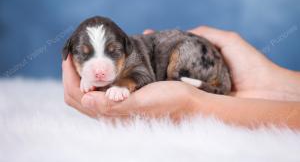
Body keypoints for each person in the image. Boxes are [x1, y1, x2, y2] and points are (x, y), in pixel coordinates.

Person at [62, 26, 300, 129]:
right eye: (85, 57)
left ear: (126, 47)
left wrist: (193, 104)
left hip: (193, 58)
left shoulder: (134, 58)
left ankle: (208, 86)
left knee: (179, 56)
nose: (100, 67)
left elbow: (138, 75)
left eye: (112, 53)